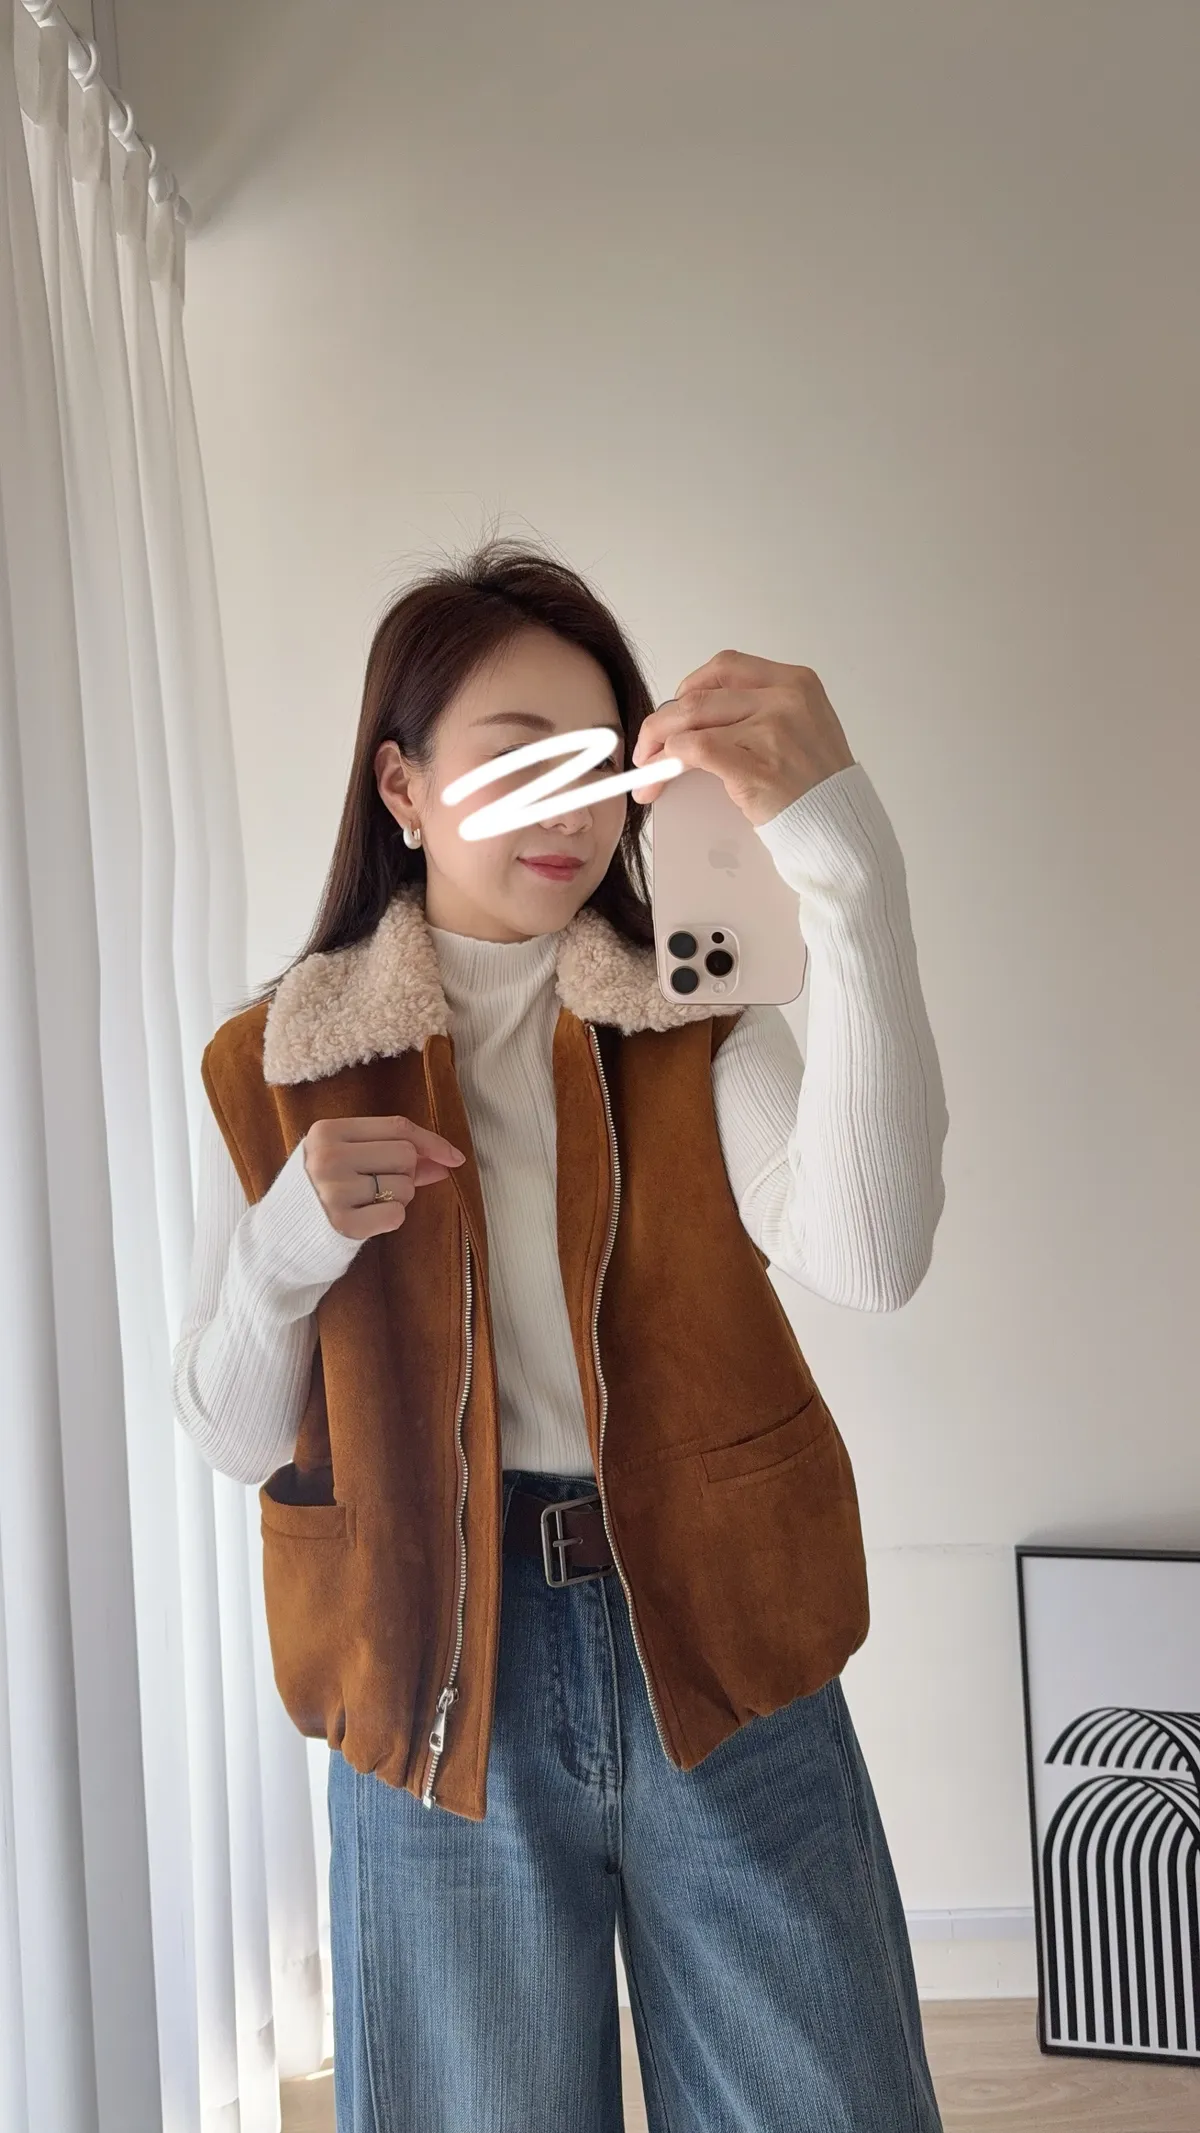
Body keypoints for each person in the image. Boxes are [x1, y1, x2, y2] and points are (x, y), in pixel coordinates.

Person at [173, 535, 949, 2132]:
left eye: (598, 765)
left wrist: (851, 877)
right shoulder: (282, 1061)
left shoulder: (687, 1016)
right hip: (435, 1669)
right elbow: (233, 1433)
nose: (571, 810)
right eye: (518, 759)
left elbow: (872, 1256)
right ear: (401, 785)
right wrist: (289, 1245)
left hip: (718, 1629)